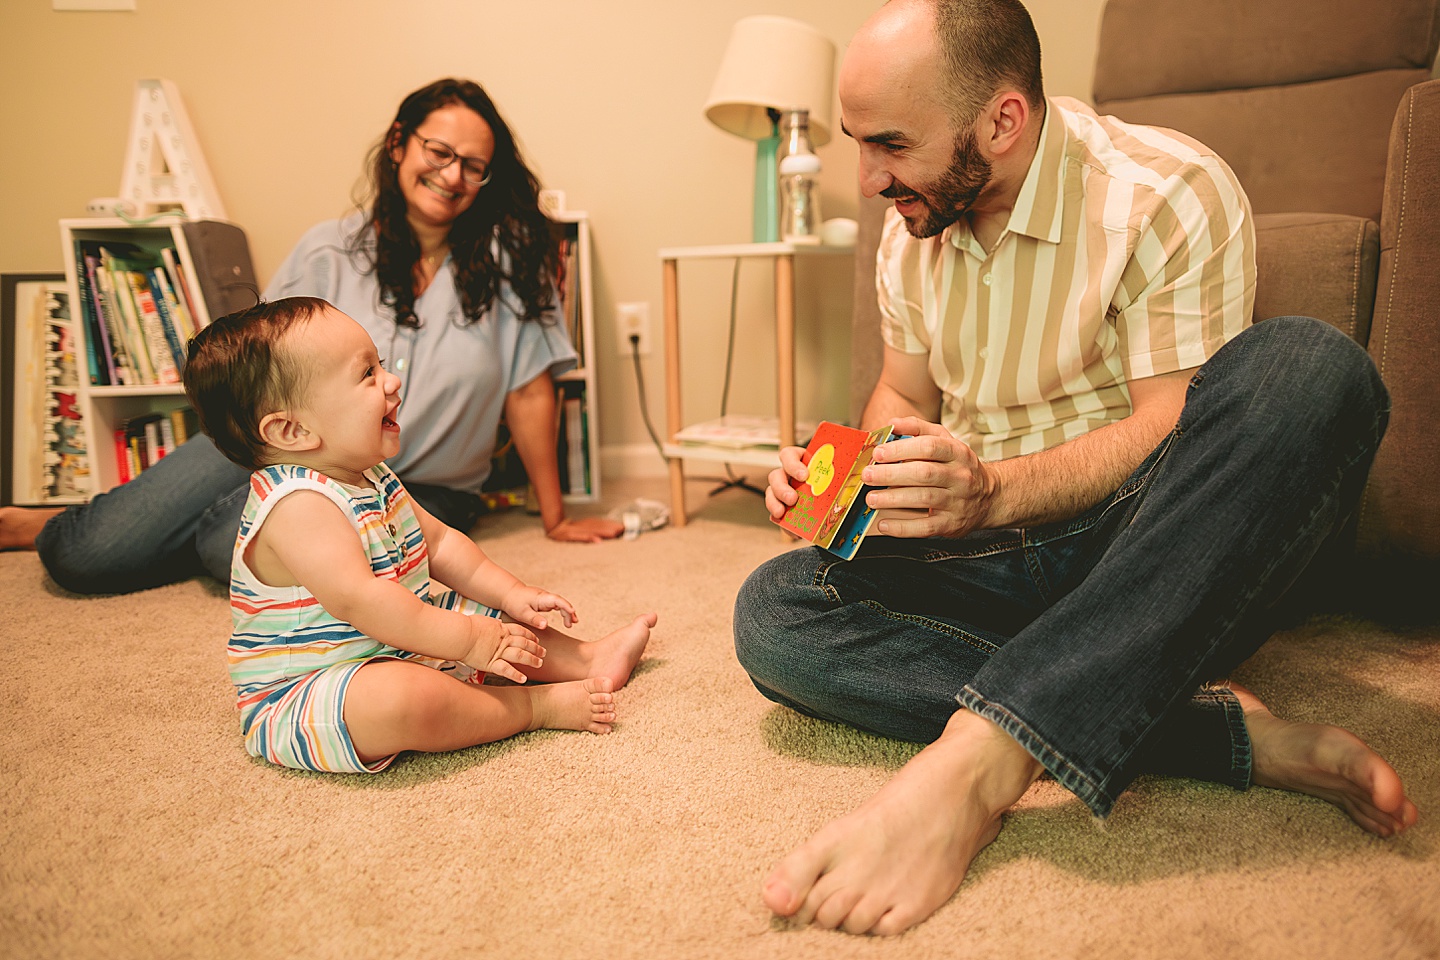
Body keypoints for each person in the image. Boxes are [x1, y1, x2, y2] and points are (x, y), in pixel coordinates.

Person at [732, 0, 1418, 937]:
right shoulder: (913, 229)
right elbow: (900, 396)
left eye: (890, 144)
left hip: (1143, 546)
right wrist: (841, 481)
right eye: (857, 142)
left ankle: (980, 761)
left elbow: (1174, 423)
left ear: (1002, 122)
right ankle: (1205, 726)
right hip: (988, 559)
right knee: (774, 609)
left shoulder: (1167, 191)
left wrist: (995, 491)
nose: (866, 180)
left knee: (1311, 368)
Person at [0, 77, 620, 593]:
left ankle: (189, 527)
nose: (453, 175)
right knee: (83, 557)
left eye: (474, 167)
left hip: (417, 485)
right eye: (440, 152)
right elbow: (262, 369)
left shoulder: (514, 271)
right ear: (401, 144)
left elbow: (531, 395)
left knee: (226, 542)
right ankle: (72, 522)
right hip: (284, 449)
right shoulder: (328, 249)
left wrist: (555, 516)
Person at [185, 295, 655, 772]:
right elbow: (363, 602)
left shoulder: (372, 474)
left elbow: (443, 544)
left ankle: (587, 659)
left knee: (486, 614)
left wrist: (512, 594)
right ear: (291, 430)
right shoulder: (296, 506)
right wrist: (471, 642)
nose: (392, 382)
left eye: (381, 365)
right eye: (366, 374)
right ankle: (532, 709)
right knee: (401, 700)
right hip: (313, 686)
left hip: (400, 639)